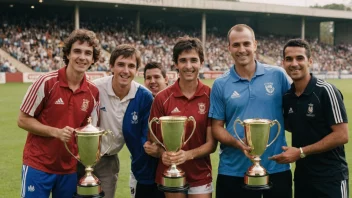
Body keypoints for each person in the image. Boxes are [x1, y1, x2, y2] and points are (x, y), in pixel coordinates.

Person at [208, 24, 292, 198]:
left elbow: (295, 112)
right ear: (229, 48)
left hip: (276, 168)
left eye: (246, 44)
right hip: (232, 171)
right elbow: (216, 127)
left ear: (255, 44)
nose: (242, 49)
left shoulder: (278, 75)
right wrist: (239, 144)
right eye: (236, 45)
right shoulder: (220, 84)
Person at [17, 29, 101, 198]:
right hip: (38, 165)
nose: (82, 57)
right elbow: (22, 120)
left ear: (93, 59)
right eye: (77, 51)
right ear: (68, 54)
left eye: (88, 53)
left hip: (68, 169)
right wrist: (55, 132)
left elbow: (89, 130)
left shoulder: (93, 92)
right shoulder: (46, 82)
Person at [269, 38, 349, 198]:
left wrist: (301, 152)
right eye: (289, 59)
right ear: (283, 63)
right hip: (303, 179)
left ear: (310, 61)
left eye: (300, 58)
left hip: (330, 178)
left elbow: (342, 135)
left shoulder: (326, 91)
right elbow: (295, 125)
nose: (294, 63)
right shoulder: (287, 97)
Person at [85, 44, 163, 198]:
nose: (126, 71)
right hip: (81, 158)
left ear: (137, 71)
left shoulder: (144, 96)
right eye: (121, 64)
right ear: (111, 66)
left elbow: (143, 138)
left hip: (108, 160)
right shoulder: (94, 88)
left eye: (131, 66)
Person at [148, 36, 217, 198]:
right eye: (183, 60)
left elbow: (212, 144)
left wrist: (188, 155)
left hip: (200, 174)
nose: (188, 66)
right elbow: (152, 139)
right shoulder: (162, 97)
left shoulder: (210, 95)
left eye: (193, 60)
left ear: (201, 62)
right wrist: (161, 153)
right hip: (169, 173)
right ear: (175, 64)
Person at [129, 61, 169, 198]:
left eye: (157, 77)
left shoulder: (174, 101)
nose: (152, 81)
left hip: (168, 172)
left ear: (166, 79)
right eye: (148, 78)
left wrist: (161, 151)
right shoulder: (136, 102)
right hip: (142, 174)